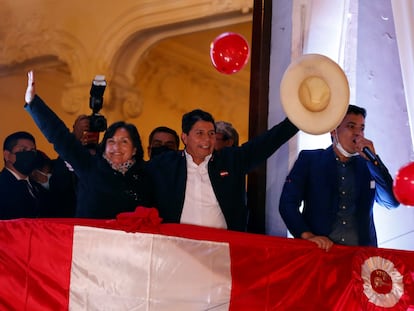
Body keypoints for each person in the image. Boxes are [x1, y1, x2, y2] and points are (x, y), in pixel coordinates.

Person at [145, 108, 298, 231]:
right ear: (184, 137)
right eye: (200, 133)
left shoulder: (230, 160)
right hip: (177, 248)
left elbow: (266, 142)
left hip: (222, 249)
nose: (207, 139)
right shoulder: (164, 164)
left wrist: (299, 119)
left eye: (211, 133)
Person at [24, 70, 151, 219]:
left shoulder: (146, 176)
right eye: (111, 141)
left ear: (135, 149)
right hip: (90, 240)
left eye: (124, 142)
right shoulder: (91, 167)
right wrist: (33, 103)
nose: (116, 147)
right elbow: (60, 137)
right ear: (104, 146)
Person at [279, 104, 400, 250]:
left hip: (360, 258)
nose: (358, 134)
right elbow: (288, 203)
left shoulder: (368, 166)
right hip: (321, 253)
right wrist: (307, 236)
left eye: (362, 128)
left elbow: (392, 202)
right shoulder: (310, 160)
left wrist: (374, 161)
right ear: (333, 130)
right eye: (351, 126)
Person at [0, 131, 51, 219]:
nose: (30, 154)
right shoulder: (2, 185)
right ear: (7, 155)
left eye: (32, 150)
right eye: (23, 150)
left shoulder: (37, 188)